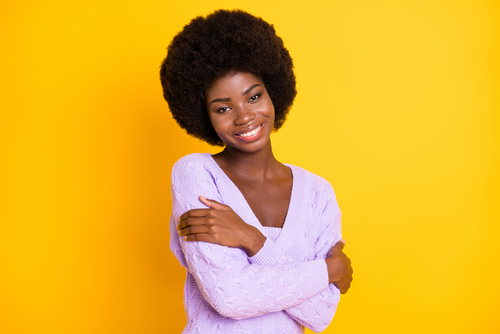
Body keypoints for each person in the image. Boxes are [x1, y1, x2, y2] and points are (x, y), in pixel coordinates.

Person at [160, 9, 353, 334]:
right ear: (203, 115)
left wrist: (251, 239)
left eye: (253, 97)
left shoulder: (319, 192)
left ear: (272, 93)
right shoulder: (195, 173)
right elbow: (229, 296)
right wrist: (327, 270)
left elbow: (321, 314)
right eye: (223, 107)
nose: (244, 116)